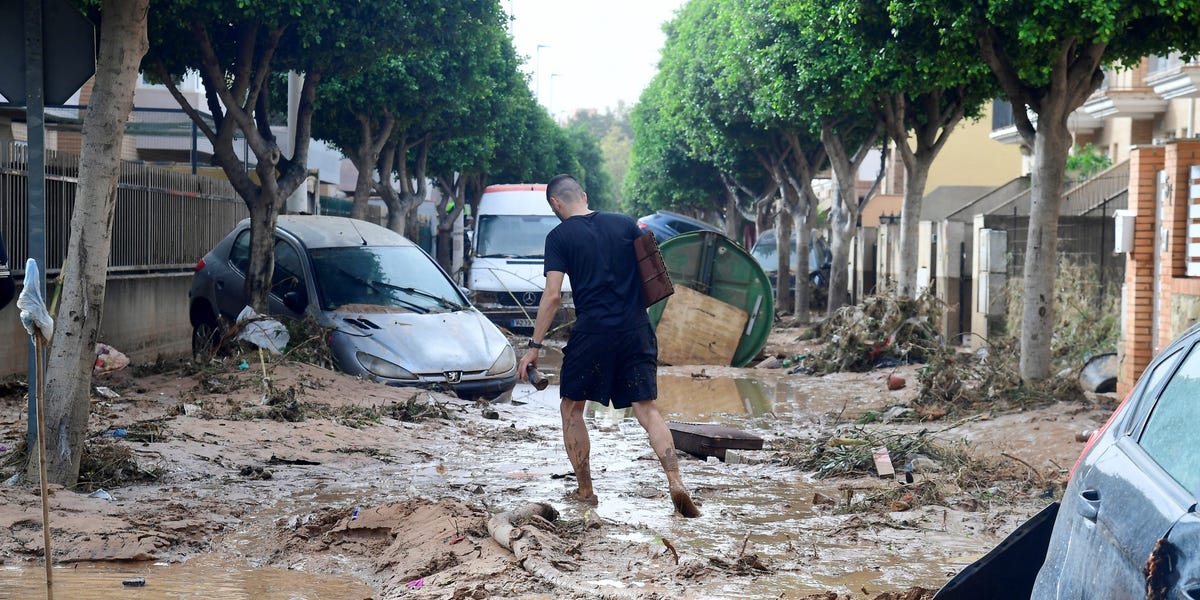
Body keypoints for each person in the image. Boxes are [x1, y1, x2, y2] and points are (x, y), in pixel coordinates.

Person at [517, 174, 701, 518]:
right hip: (636, 327)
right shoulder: (626, 224)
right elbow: (654, 276)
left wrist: (534, 347)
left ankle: (585, 491)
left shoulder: (558, 237)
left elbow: (553, 295)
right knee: (647, 410)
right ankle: (676, 481)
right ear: (583, 195)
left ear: (556, 204)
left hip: (593, 332)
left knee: (572, 408)